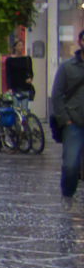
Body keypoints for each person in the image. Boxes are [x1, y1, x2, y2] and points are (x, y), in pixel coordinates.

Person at [47, 30, 84, 203]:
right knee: (70, 165)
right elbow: (57, 94)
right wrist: (65, 119)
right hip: (73, 122)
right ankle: (68, 193)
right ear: (80, 42)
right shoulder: (67, 67)